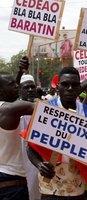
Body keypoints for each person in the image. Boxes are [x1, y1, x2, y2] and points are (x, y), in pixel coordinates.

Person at [24, 67, 87, 199]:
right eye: (65, 84)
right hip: (50, 186)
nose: (70, 89)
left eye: (74, 85)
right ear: (57, 87)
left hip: (77, 186)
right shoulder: (46, 111)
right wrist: (39, 165)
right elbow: (30, 147)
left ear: (79, 87)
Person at [0, 57, 35, 200]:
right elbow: (52, 110)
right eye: (12, 84)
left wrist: (20, 73)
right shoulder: (12, 109)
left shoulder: (7, 108)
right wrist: (84, 86)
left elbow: (8, 95)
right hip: (11, 184)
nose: (17, 85)